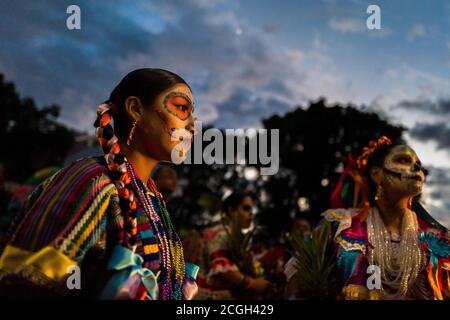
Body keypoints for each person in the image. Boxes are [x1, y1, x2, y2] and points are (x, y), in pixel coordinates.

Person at [0, 68, 199, 300]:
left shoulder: (153, 199)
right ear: (135, 109)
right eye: (182, 108)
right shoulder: (94, 179)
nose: (193, 124)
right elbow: (27, 283)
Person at [286, 136, 450, 300]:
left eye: (418, 164)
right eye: (403, 160)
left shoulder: (436, 240)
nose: (416, 168)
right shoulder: (340, 224)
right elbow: (299, 277)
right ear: (376, 174)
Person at [197, 192, 273, 299]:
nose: (251, 213)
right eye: (246, 208)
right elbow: (220, 265)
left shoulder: (234, 236)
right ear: (232, 210)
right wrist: (251, 283)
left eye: (251, 210)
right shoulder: (220, 232)